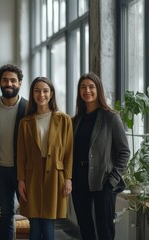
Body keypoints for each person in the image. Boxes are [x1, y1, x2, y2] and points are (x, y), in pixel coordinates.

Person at [71, 73, 130, 240]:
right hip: (79, 180)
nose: (87, 90)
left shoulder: (110, 117)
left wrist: (112, 180)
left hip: (103, 181)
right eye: (83, 87)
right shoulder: (76, 120)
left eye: (91, 87)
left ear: (98, 90)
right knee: (85, 226)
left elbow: (124, 152)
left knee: (105, 229)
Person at [17, 77, 73, 240]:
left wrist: (68, 178)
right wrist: (21, 179)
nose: (41, 94)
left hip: (56, 174)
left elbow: (69, 152)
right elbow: (21, 154)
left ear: (51, 94)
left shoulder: (64, 120)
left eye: (45, 91)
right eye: (37, 91)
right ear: (32, 94)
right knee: (34, 222)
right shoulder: (25, 122)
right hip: (32, 174)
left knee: (49, 221)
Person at [0, 64, 28, 240]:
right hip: (0, 169)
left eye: (13, 80)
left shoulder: (29, 109)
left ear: (20, 83)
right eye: (5, 80)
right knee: (6, 212)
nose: (9, 83)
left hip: (24, 171)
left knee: (31, 211)